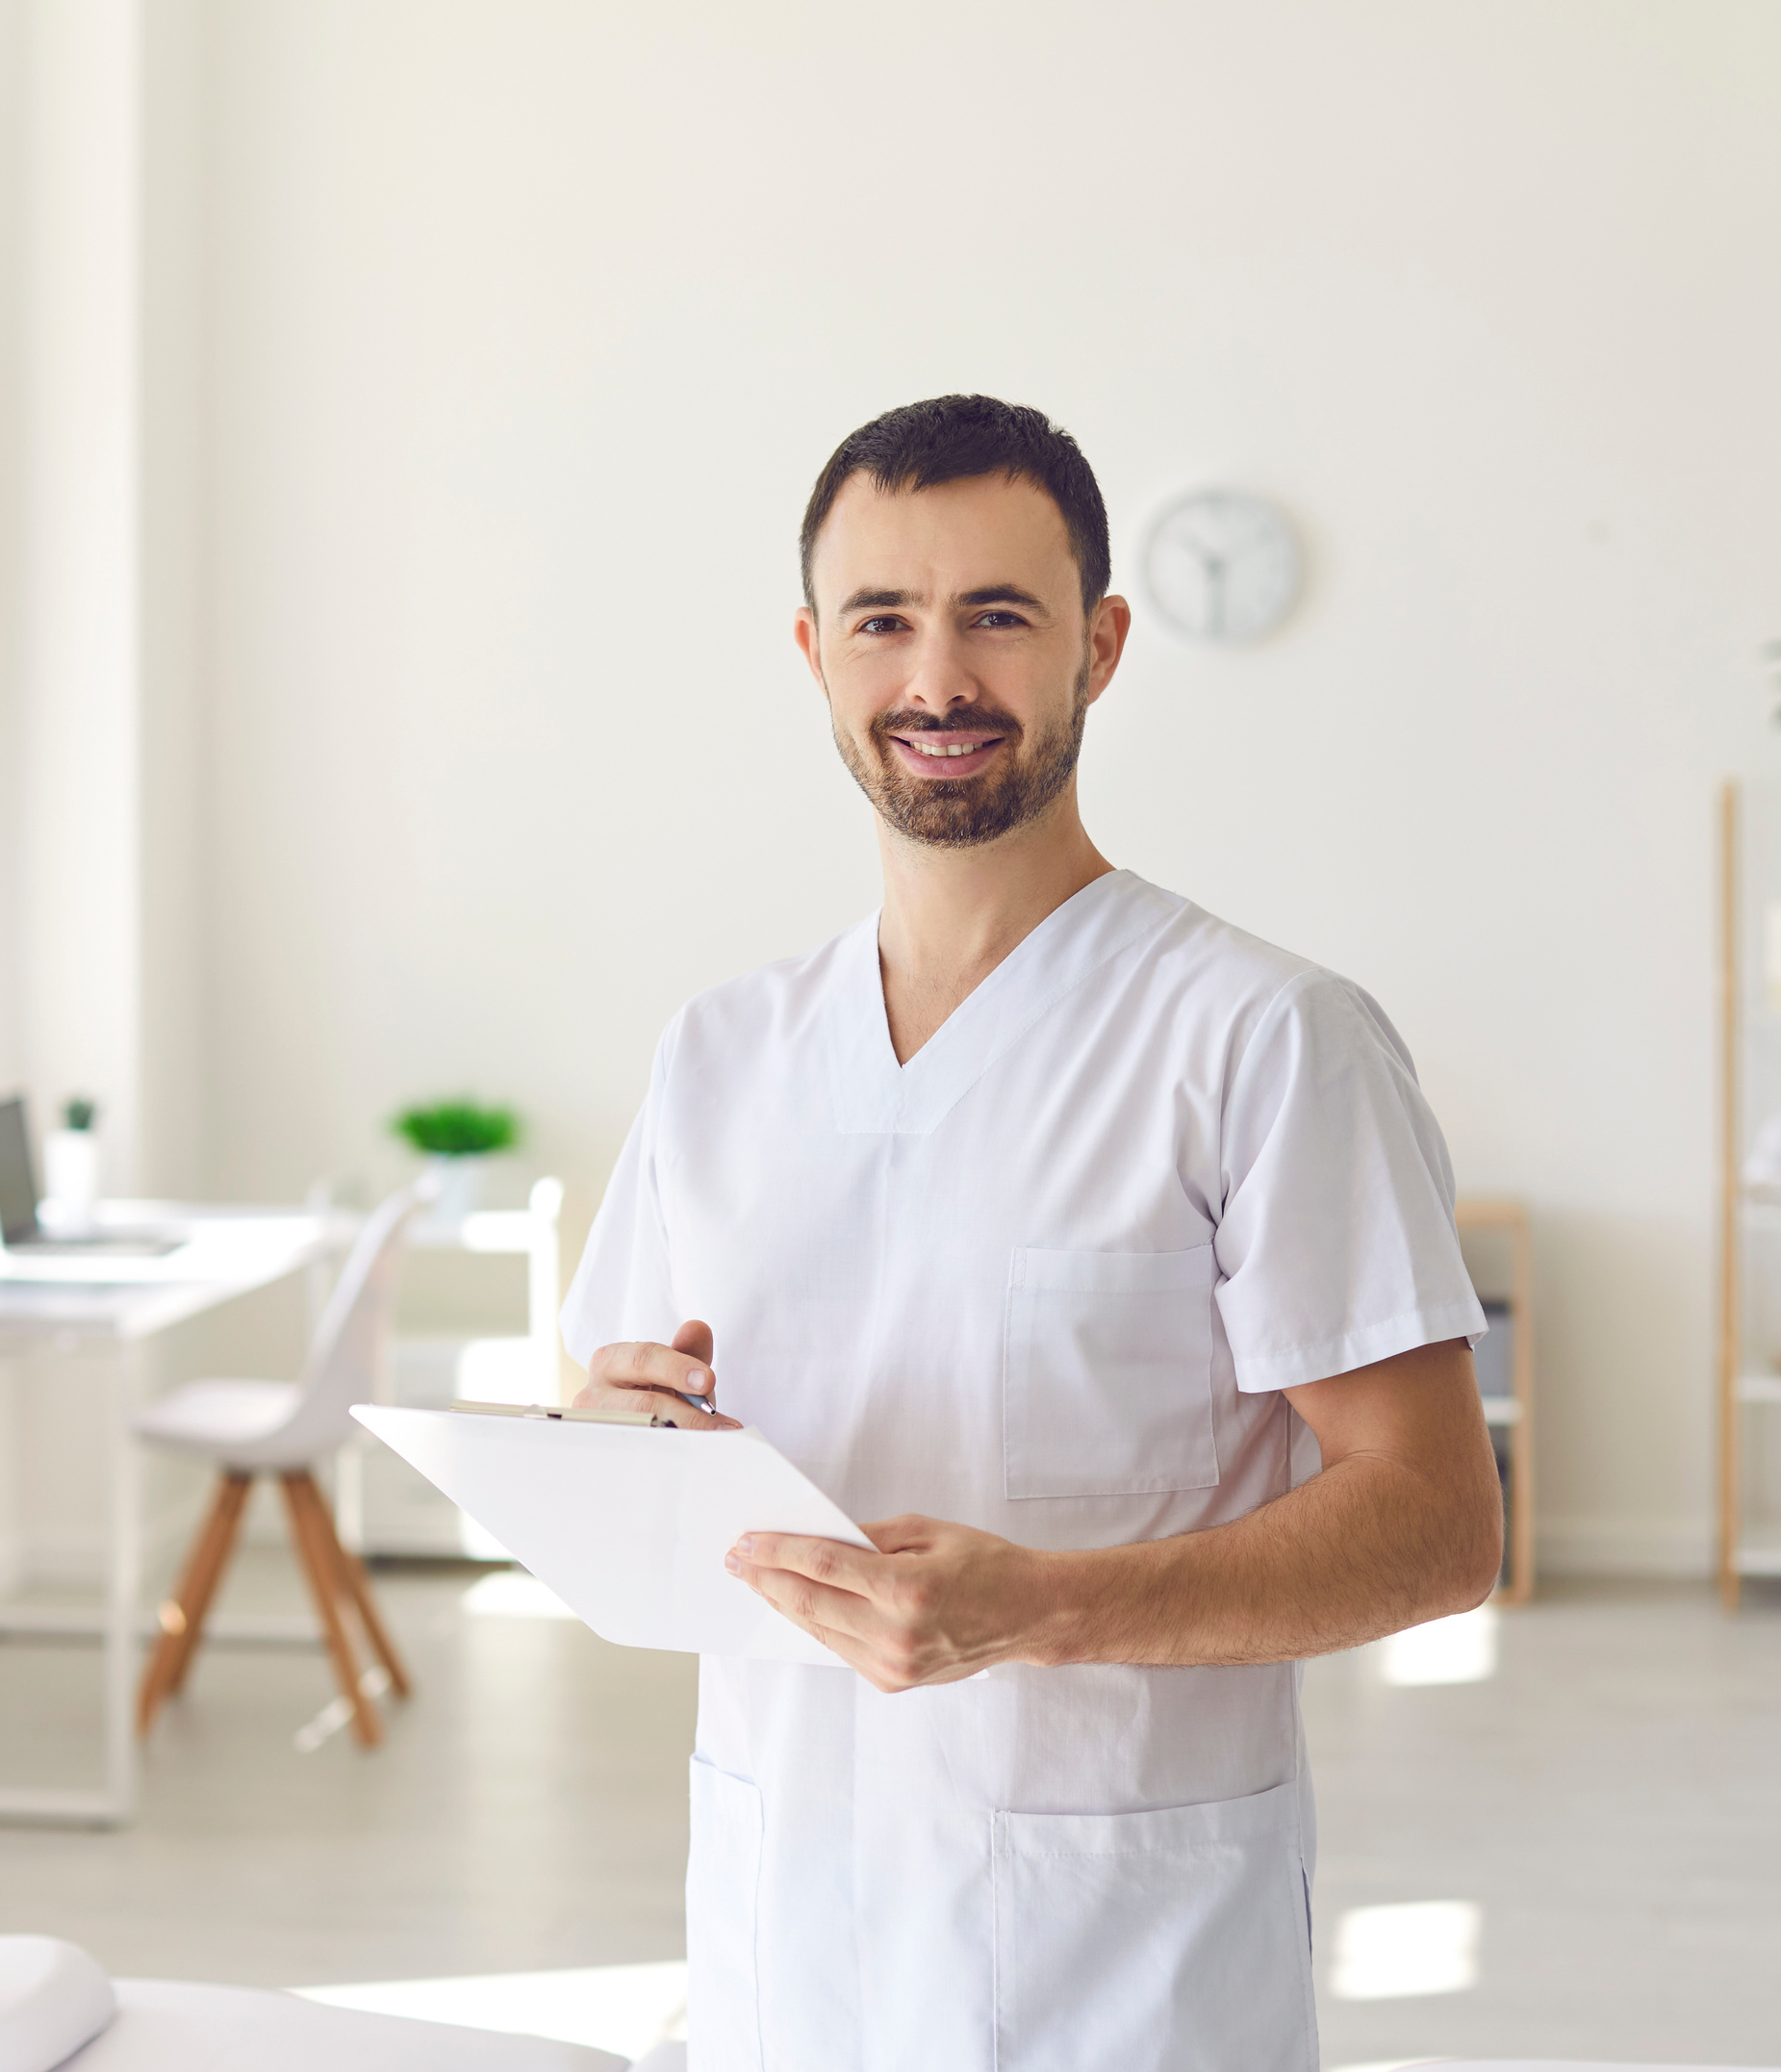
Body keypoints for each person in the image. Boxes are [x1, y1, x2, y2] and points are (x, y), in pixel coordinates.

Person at [558, 394, 1504, 2071]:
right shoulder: (718, 1054)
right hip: (790, 1941)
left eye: (998, 615)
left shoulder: (1264, 1037)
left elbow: (1435, 1527)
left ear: (1101, 645)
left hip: (1118, 1967)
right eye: (883, 621)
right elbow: (608, 1435)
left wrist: (1044, 1609)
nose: (937, 680)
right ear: (811, 651)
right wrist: (615, 1444)